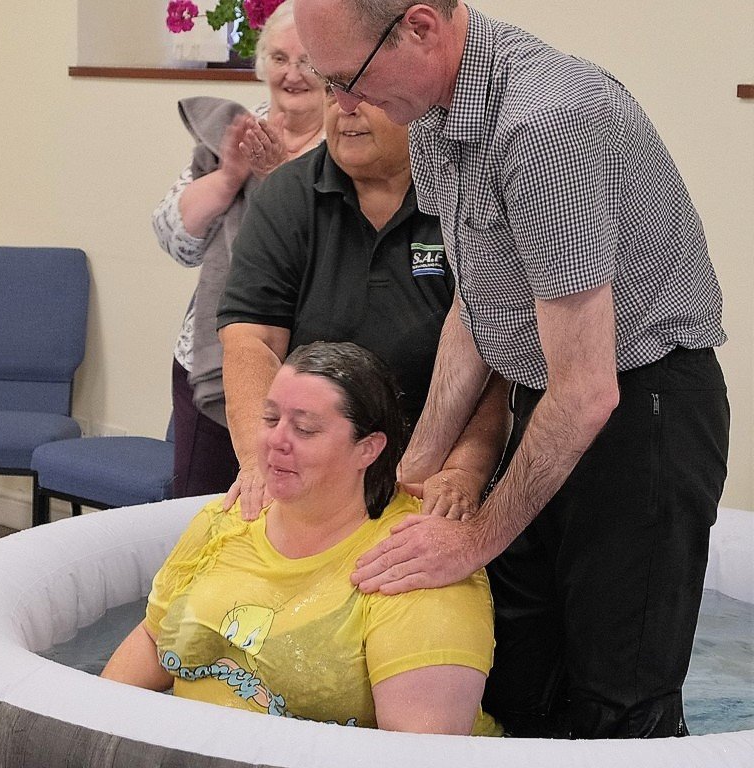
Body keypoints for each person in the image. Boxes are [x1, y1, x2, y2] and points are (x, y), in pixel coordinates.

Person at [292, 0, 730, 741]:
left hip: (643, 412)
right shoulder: (433, 112)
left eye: (348, 77)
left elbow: (589, 391)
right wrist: (413, 468)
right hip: (552, 400)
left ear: (422, 27)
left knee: (618, 709)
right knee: (521, 678)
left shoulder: (546, 121)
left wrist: (474, 538)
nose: (344, 105)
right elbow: (478, 300)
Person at [101, 341, 500, 736]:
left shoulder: (417, 559)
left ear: (368, 448)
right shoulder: (225, 522)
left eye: (306, 429)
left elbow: (421, 755)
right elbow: (150, 646)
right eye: (271, 419)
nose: (277, 441)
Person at [217, 87, 509, 519]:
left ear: (415, 106)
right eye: (333, 95)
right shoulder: (287, 195)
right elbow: (250, 342)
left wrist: (463, 472)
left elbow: (500, 368)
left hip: (436, 471)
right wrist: (262, 462)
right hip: (312, 473)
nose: (346, 110)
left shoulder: (466, 195)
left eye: (364, 96)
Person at [153, 0, 325, 497]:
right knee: (203, 506)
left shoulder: (349, 143)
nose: (291, 75)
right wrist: (230, 176)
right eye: (278, 58)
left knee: (289, 511)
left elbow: (325, 254)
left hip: (305, 370)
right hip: (208, 357)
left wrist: (274, 182)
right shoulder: (234, 132)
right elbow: (175, 240)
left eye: (308, 61)